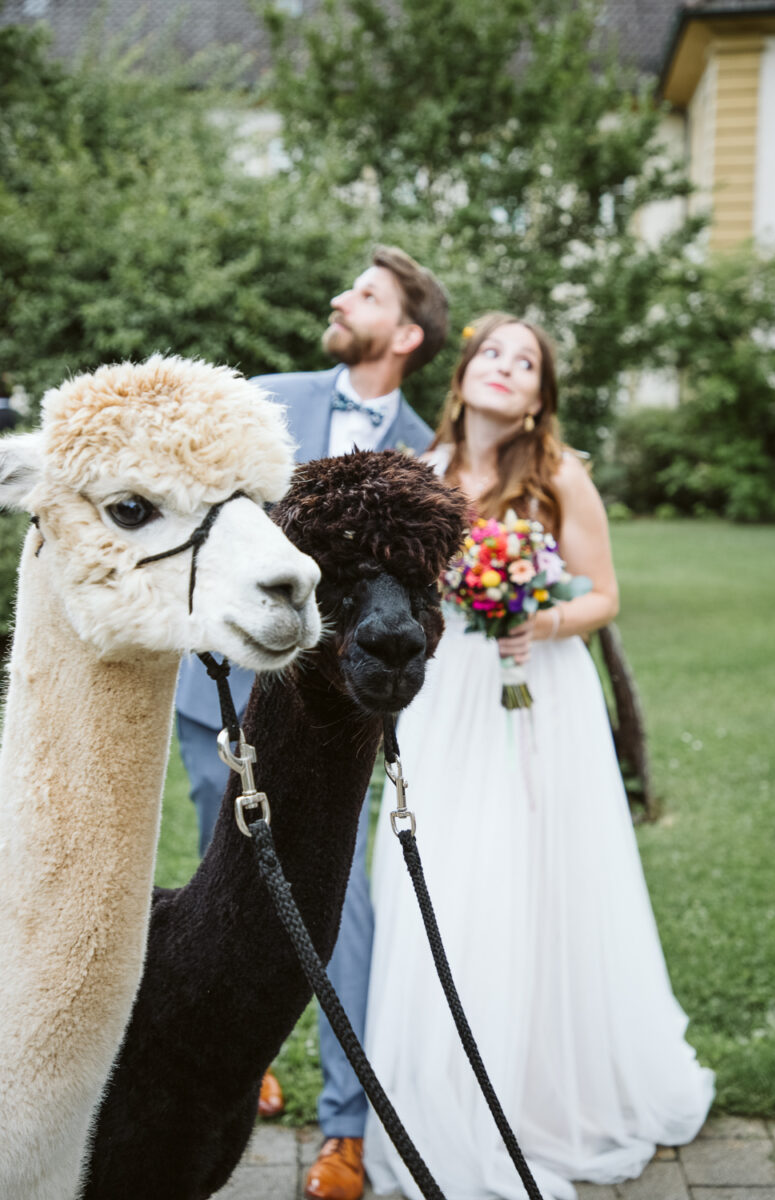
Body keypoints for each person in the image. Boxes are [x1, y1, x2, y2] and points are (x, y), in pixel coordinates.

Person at [362, 313, 714, 1200]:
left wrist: (539, 619)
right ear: (466, 372)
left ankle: (540, 1100)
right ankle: (440, 1099)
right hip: (445, 706)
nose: (507, 369)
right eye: (493, 353)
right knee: (438, 880)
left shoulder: (559, 474)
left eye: (527, 363)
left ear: (538, 399)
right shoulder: (424, 474)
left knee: (532, 884)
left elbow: (604, 596)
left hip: (535, 700)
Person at [173, 245, 449, 1200]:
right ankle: (236, 1063)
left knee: (342, 900)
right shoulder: (262, 399)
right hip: (227, 689)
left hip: (338, 713)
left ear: (407, 332)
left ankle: (343, 1128)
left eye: (366, 294)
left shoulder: (426, 444)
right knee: (227, 882)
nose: (342, 298)